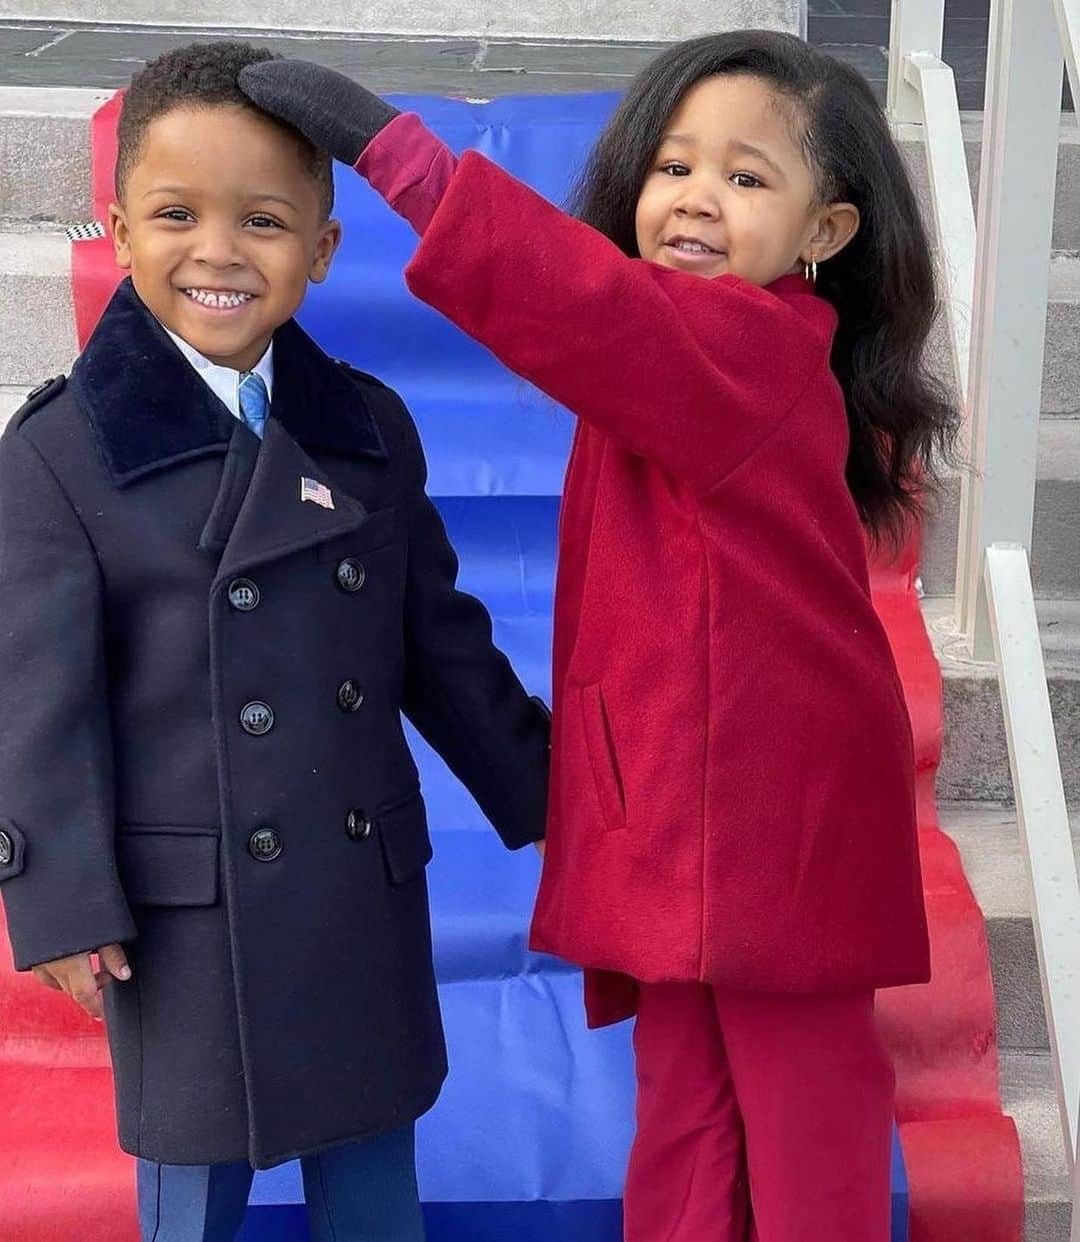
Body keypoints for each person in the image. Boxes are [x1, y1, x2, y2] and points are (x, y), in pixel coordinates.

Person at [241, 28, 958, 1241]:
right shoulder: (686, 347)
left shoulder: (746, 347)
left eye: (746, 178)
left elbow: (575, 301)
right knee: (689, 1105)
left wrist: (392, 152)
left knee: (806, 1121)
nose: (694, 199)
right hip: (694, 820)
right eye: (674, 166)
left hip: (777, 828)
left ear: (823, 234)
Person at [0, 40, 550, 1242]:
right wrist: (57, 898)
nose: (217, 251)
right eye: (175, 214)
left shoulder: (368, 431)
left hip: (355, 890)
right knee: (193, 1204)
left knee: (373, 1195)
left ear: (323, 248)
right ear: (116, 229)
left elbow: (440, 649)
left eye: (262, 220)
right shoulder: (57, 453)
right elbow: (37, 704)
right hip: (188, 921)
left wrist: (561, 795)